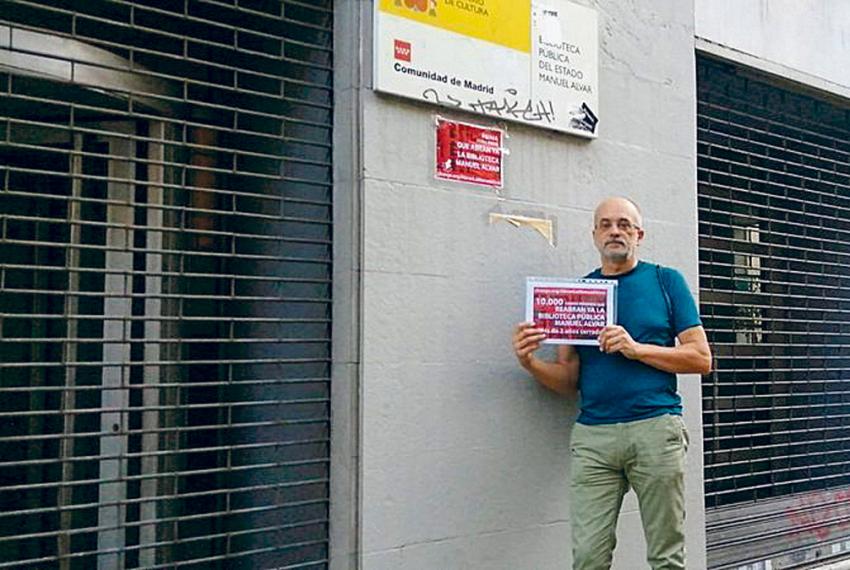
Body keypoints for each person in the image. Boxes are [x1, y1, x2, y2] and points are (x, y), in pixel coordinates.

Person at [512, 197, 712, 570]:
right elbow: (568, 380)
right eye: (605, 225)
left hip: (655, 428)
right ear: (594, 235)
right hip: (594, 437)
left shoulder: (665, 281)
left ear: (639, 234)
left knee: (667, 557)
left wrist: (637, 349)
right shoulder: (577, 294)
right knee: (588, 557)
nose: (614, 231)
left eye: (623, 224)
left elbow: (701, 358)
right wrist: (529, 362)